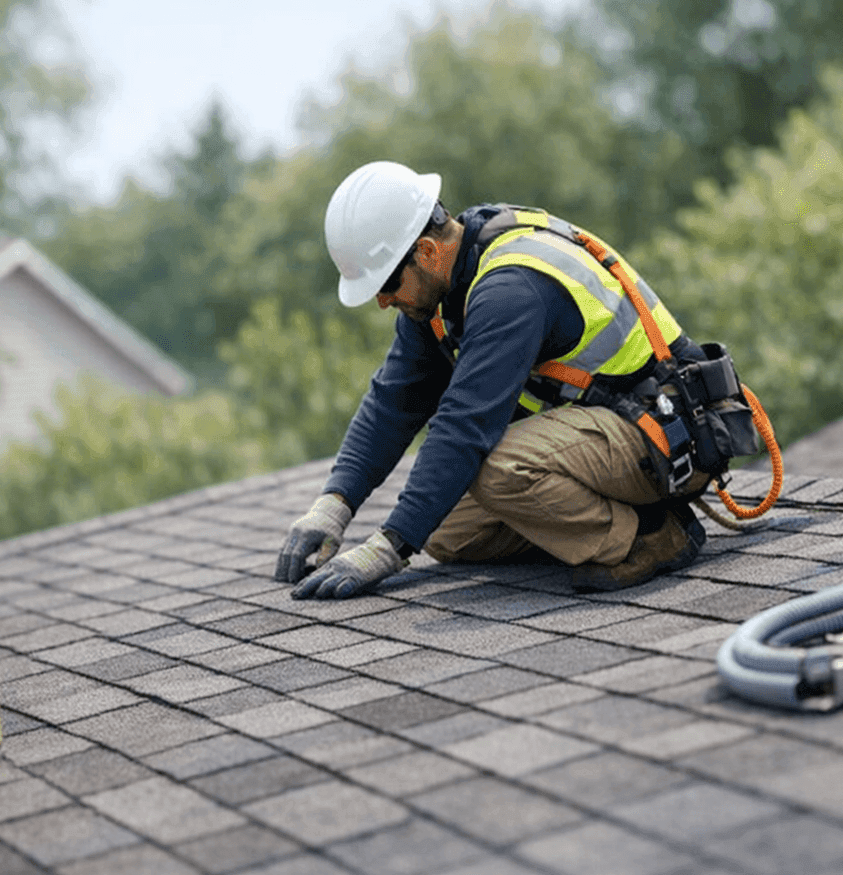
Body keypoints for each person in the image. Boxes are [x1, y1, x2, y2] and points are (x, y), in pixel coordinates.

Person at [275, 160, 712, 600]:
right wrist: (333, 506)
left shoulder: (510, 289)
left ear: (426, 252)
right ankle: (586, 523)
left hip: (666, 437)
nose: (384, 303)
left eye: (386, 286)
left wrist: (388, 548)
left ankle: (651, 534)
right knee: (443, 530)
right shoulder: (441, 288)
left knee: (498, 470)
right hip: (611, 434)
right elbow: (394, 401)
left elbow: (464, 427)